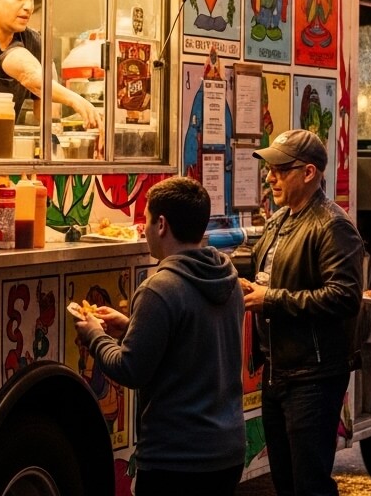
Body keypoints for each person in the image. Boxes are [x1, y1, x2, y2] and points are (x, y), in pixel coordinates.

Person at [71, 177, 245, 495]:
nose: (144, 228)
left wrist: (94, 335)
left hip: (176, 460)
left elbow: (131, 369)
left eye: (147, 219)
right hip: (227, 453)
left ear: (162, 224)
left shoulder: (160, 287)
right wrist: (132, 325)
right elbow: (192, 340)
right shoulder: (229, 278)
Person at [242, 129, 364, 496]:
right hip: (277, 371)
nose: (270, 177)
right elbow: (265, 276)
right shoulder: (280, 220)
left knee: (309, 484)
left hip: (314, 375)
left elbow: (344, 296)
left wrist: (272, 299)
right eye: (270, 169)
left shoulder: (333, 224)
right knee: (285, 480)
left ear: (309, 173)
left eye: (280, 169)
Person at [0, 0, 100, 128]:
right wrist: (75, 100)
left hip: (5, 145)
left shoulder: (33, 40)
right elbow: (27, 73)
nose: (29, 6)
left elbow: (47, 117)